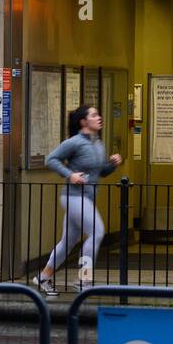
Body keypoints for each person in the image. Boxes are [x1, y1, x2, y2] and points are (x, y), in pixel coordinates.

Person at [36, 105, 123, 297]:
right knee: (97, 232)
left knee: (69, 241)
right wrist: (70, 175)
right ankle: (84, 279)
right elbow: (51, 159)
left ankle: (43, 277)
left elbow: (100, 172)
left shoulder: (98, 143)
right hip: (74, 197)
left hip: (88, 197)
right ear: (84, 122)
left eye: (98, 114)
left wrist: (112, 164)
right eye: (94, 115)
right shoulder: (74, 142)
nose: (99, 117)